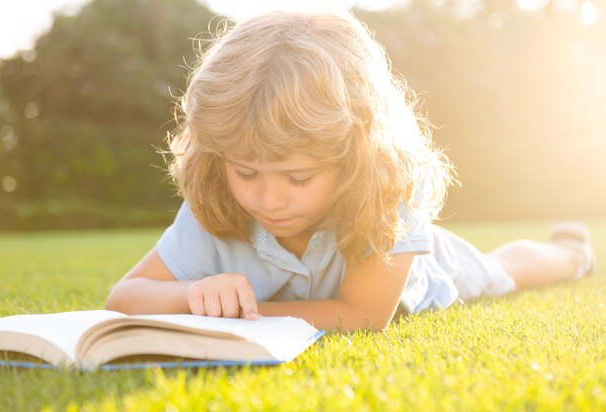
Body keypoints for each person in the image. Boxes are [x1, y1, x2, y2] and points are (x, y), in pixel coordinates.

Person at [105, 10, 595, 331]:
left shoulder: (387, 187)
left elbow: (361, 316)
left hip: (426, 272)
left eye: (298, 178)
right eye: (246, 172)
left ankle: (571, 254)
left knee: (502, 271)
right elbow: (123, 297)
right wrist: (192, 294)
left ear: (354, 155)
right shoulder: (217, 197)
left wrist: (237, 318)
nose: (268, 200)